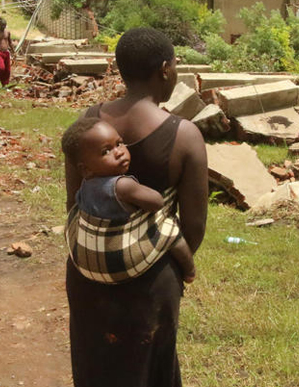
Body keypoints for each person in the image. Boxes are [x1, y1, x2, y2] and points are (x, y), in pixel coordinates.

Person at [64, 27, 208, 387]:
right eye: (176, 65)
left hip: (88, 275)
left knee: (96, 369)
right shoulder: (184, 134)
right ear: (164, 69)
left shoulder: (88, 123)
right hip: (152, 283)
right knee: (151, 372)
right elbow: (194, 225)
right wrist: (172, 265)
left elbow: (74, 204)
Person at [62, 117, 196, 284]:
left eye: (119, 143)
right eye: (106, 151)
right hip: (118, 259)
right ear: (86, 169)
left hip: (89, 261)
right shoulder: (123, 186)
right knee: (172, 235)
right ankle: (189, 272)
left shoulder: (86, 184)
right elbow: (157, 203)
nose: (119, 152)